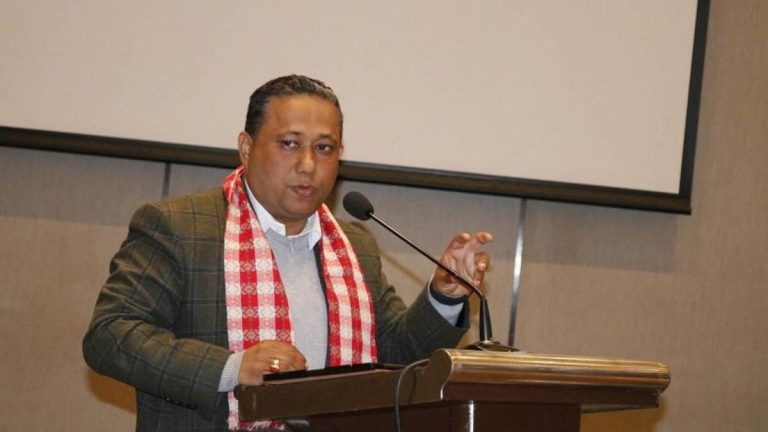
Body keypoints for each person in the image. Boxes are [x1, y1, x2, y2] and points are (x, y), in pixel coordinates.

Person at [83, 75, 493, 431]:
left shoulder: (355, 246)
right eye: (289, 144)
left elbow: (396, 360)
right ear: (246, 147)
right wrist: (232, 369)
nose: (307, 165)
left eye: (324, 149)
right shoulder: (179, 227)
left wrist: (444, 297)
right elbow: (111, 335)